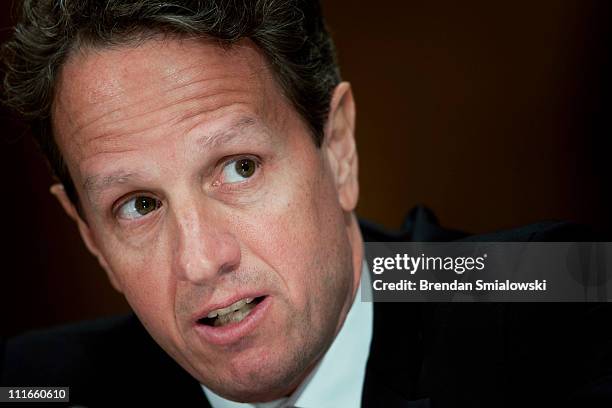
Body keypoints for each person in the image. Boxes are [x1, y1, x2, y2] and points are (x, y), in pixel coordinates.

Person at [0, 1, 610, 407]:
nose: (201, 260)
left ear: (338, 148)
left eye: (239, 168)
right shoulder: (40, 384)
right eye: (138, 205)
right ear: (89, 237)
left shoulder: (547, 296)